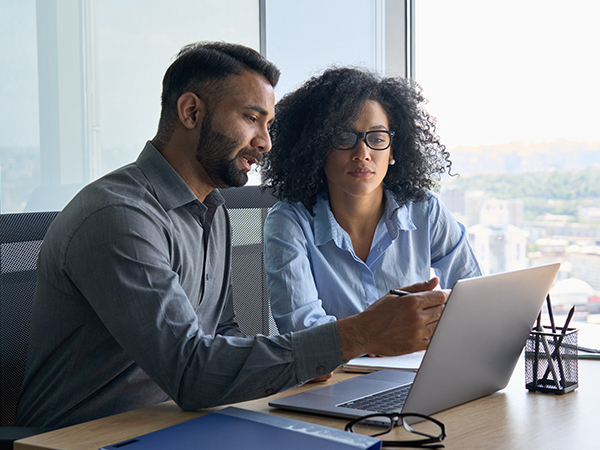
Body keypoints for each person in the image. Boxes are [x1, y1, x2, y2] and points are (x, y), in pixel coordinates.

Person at [16, 43, 448, 429]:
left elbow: (222, 333)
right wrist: (354, 336)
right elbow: (191, 372)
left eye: (268, 124)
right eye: (251, 119)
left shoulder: (213, 210)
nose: (265, 142)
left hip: (180, 423)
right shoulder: (119, 216)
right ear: (191, 112)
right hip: (87, 437)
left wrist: (307, 357)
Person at [261, 67, 483, 334]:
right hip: (336, 375)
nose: (363, 153)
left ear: (393, 150)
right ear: (317, 148)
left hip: (418, 369)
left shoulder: (426, 211)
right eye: (344, 137)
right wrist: (375, 336)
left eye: (377, 138)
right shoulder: (289, 222)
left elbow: (475, 300)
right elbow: (303, 334)